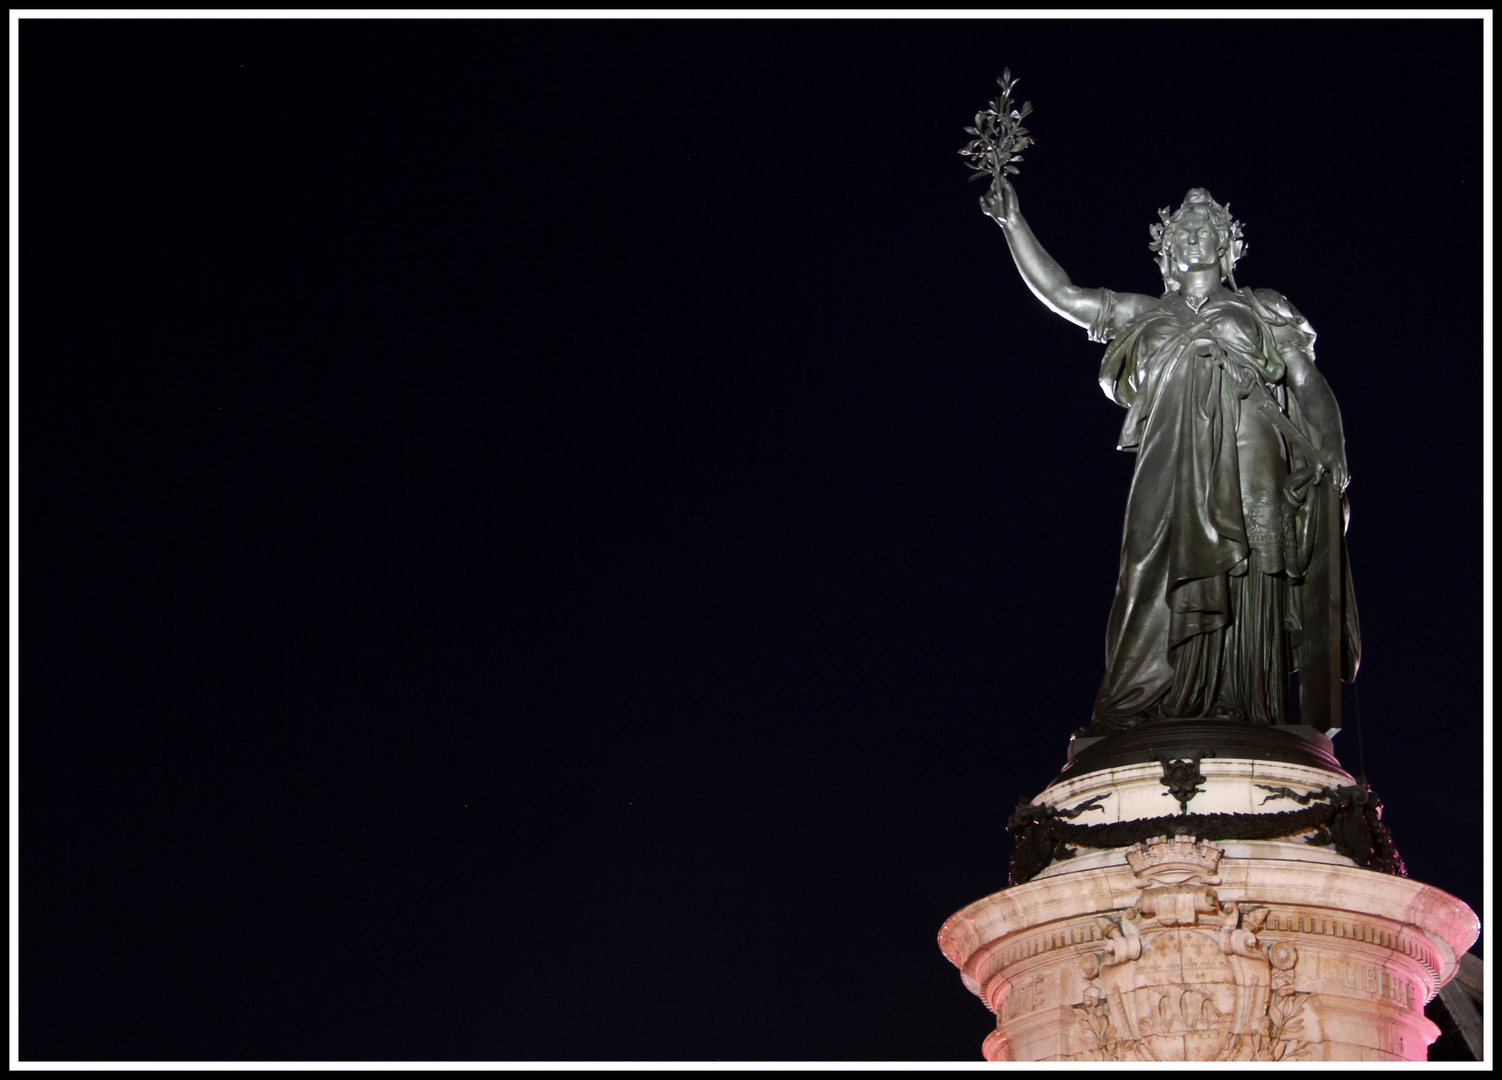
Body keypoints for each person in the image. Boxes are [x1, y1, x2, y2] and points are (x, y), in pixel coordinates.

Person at [982, 182, 1358, 734]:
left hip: (1251, 452)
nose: (1196, 236)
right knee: (1146, 566)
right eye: (1183, 230)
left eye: (1208, 228)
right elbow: (1065, 294)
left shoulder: (1264, 306)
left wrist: (1331, 448)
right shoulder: (1142, 313)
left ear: (1228, 246)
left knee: (1249, 570)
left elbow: (1307, 381)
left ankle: (1246, 703)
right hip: (1167, 459)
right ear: (1166, 249)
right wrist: (1013, 224)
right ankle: (1136, 702)